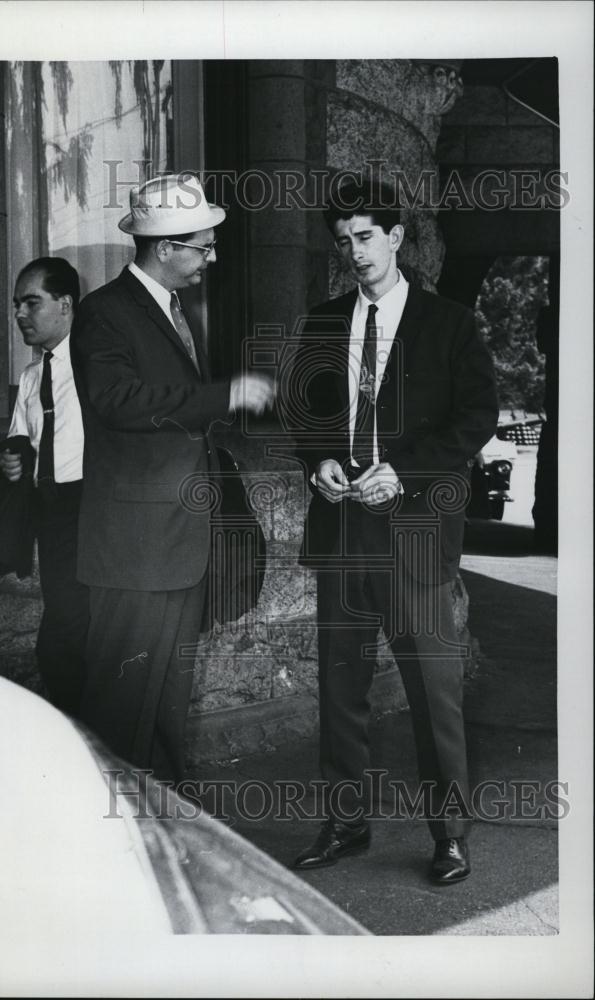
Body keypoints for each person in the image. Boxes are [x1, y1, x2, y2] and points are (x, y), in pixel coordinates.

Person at [290, 180, 498, 884]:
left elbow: (474, 422)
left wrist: (401, 472)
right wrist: (317, 460)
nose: (353, 252)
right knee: (339, 689)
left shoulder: (450, 324)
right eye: (342, 240)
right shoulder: (321, 324)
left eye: (364, 236)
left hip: (414, 534)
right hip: (342, 527)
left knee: (432, 691)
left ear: (396, 237)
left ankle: (449, 836)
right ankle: (345, 825)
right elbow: (306, 415)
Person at [70, 173, 275, 782]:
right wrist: (223, 394)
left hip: (177, 541)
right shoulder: (105, 313)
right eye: (203, 247)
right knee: (120, 705)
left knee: (164, 704)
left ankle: (160, 829)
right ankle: (107, 844)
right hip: (136, 547)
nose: (210, 259)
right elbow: (117, 400)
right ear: (165, 248)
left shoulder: (173, 311)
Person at [0, 256, 89, 717]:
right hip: (51, 515)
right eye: (17, 305)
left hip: (93, 510)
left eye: (31, 303)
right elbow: (21, 441)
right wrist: (14, 460)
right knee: (65, 635)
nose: (20, 314)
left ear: (66, 305)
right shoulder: (32, 378)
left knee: (66, 640)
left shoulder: (99, 366)